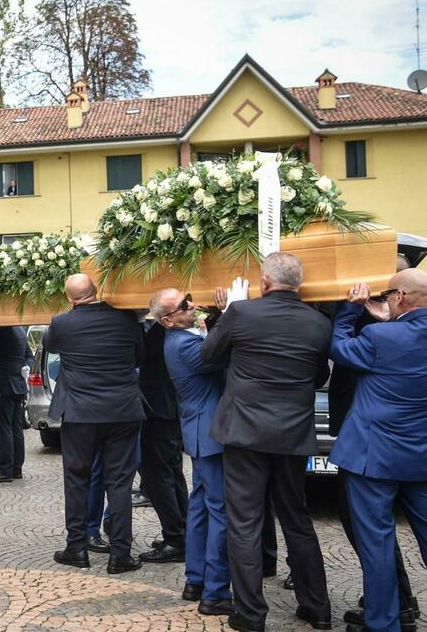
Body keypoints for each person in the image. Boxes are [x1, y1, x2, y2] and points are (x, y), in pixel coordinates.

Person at [332, 270, 427, 632]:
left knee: (377, 545)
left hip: (373, 457)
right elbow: (417, 333)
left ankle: (384, 624)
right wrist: (393, 317)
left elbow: (338, 347)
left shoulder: (378, 336)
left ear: (398, 297)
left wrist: (351, 310)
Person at [201, 252, 332, 632]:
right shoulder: (319, 323)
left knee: (244, 521)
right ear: (299, 284)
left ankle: (250, 614)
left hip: (245, 431)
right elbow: (319, 373)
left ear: (264, 282)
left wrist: (228, 314)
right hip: (292, 433)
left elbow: (208, 355)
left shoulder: (242, 314)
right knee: (296, 517)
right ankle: (316, 607)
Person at [329, 256, 422, 628]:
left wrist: (352, 312)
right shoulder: (376, 309)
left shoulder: (389, 319)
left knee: (364, 520)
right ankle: (396, 599)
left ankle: (394, 604)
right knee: (364, 520)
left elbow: (342, 347)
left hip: (372, 433)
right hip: (360, 427)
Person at [44, 274, 144, 574]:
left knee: (77, 479)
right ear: (97, 290)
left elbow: (50, 346)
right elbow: (140, 355)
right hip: (123, 409)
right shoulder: (127, 319)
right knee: (120, 483)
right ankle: (120, 554)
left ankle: (77, 548)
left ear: (70, 298)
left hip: (80, 411)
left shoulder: (62, 322)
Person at [155, 288, 232, 616]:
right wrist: (229, 314)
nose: (191, 306)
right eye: (183, 306)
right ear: (168, 320)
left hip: (200, 431)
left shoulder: (184, 337)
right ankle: (215, 591)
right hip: (209, 434)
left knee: (201, 506)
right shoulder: (184, 344)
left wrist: (214, 318)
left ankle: (195, 579)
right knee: (220, 511)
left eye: (189, 300)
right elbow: (223, 353)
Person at [136, 309, 189, 564]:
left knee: (159, 478)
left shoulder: (159, 332)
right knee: (172, 474)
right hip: (169, 410)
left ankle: (175, 539)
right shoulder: (169, 329)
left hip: (159, 412)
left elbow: (141, 355)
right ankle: (183, 533)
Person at [0, 326, 32, 483]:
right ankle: (16, 468)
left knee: (3, 428)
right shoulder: (20, 330)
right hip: (18, 384)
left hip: (5, 386)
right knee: (16, 427)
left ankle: (5, 469)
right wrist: (26, 366)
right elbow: (29, 355)